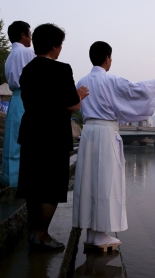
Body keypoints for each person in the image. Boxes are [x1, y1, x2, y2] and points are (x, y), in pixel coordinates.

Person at [72, 41, 155, 249]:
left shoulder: (81, 81)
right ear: (107, 58)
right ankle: (101, 234)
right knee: (106, 182)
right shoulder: (111, 80)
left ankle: (91, 232)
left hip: (88, 132)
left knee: (88, 181)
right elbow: (137, 91)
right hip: (105, 132)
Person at [16, 23, 89, 249]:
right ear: (55, 47)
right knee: (51, 186)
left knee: (33, 184)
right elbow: (72, 105)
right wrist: (79, 95)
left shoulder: (27, 70)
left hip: (30, 132)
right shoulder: (61, 69)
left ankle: (33, 232)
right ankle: (42, 234)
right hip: (53, 135)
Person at [2, 21, 35, 188]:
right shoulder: (27, 53)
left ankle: (10, 178)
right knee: (26, 141)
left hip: (15, 100)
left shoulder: (10, 56)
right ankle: (22, 180)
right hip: (27, 99)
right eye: (29, 33)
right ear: (23, 34)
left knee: (12, 140)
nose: (31, 37)